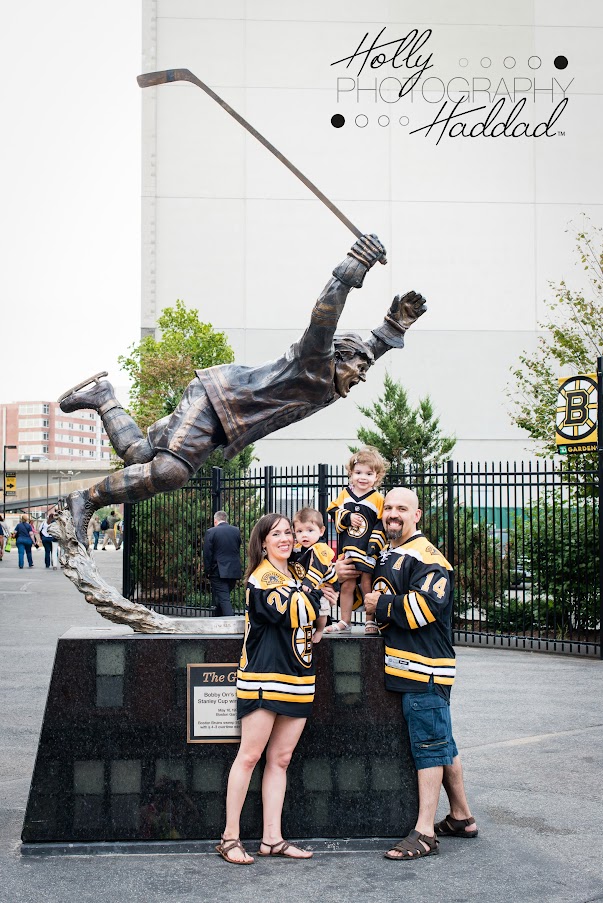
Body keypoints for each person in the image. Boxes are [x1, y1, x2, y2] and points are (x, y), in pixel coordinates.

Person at [57, 234, 427, 547]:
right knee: (170, 472)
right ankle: (85, 499)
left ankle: (103, 397)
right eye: (359, 367)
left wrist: (395, 326)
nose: (362, 374)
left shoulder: (333, 382)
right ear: (339, 357)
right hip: (218, 399)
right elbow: (324, 314)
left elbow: (371, 348)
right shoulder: (316, 360)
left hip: (224, 416)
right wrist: (354, 264)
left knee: (140, 455)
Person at [359, 487, 477, 861]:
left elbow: (424, 609)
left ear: (417, 515)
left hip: (424, 669)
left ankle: (424, 832)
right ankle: (461, 816)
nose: (393, 514)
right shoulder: (389, 553)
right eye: (388, 508)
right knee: (441, 740)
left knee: (428, 746)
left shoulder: (428, 557)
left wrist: (380, 605)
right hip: (408, 667)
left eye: (402, 508)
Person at [217, 513, 321, 865]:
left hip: (299, 677)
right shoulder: (260, 578)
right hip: (263, 678)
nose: (286, 538)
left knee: (281, 759)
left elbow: (319, 605)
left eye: (289, 532)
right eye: (276, 534)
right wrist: (311, 595)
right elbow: (300, 612)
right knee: (249, 757)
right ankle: (230, 837)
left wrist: (311, 594)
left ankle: (272, 839)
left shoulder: (297, 574)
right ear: (262, 542)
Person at [325, 446, 387, 635]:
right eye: (358, 472)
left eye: (369, 473)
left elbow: (381, 523)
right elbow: (332, 510)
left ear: (376, 476)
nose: (363, 477)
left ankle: (370, 620)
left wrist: (374, 546)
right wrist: (347, 517)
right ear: (351, 474)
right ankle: (345, 621)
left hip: (367, 551)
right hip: (348, 549)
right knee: (347, 585)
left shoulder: (378, 499)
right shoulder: (345, 495)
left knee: (367, 583)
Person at [291, 507, 338, 644]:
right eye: (299, 531)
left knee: (322, 610)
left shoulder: (321, 548)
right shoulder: (299, 548)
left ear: (321, 531)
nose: (304, 535)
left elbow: (319, 566)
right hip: (312, 587)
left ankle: (320, 630)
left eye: (310, 530)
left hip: (324, 585)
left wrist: (308, 583)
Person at [203, 511, 242, 616]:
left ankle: (230, 621)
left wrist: (208, 571)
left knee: (224, 599)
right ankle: (217, 618)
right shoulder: (236, 531)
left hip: (218, 571)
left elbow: (207, 554)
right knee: (222, 597)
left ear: (215, 521)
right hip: (233, 570)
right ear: (226, 519)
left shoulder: (211, 532)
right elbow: (237, 548)